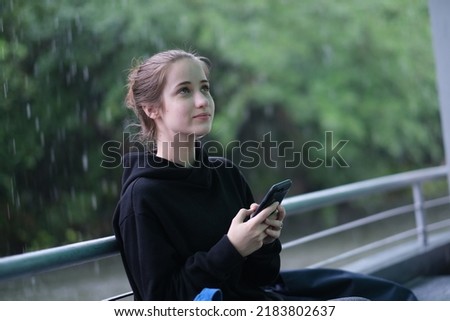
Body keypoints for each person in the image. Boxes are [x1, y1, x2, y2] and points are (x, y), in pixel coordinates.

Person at [113, 49, 417, 301]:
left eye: (205, 87)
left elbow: (262, 276)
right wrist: (231, 248)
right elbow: (161, 303)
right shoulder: (142, 197)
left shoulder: (224, 172)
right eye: (184, 91)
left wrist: (264, 241)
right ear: (152, 109)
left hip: (258, 295)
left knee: (394, 297)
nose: (203, 100)